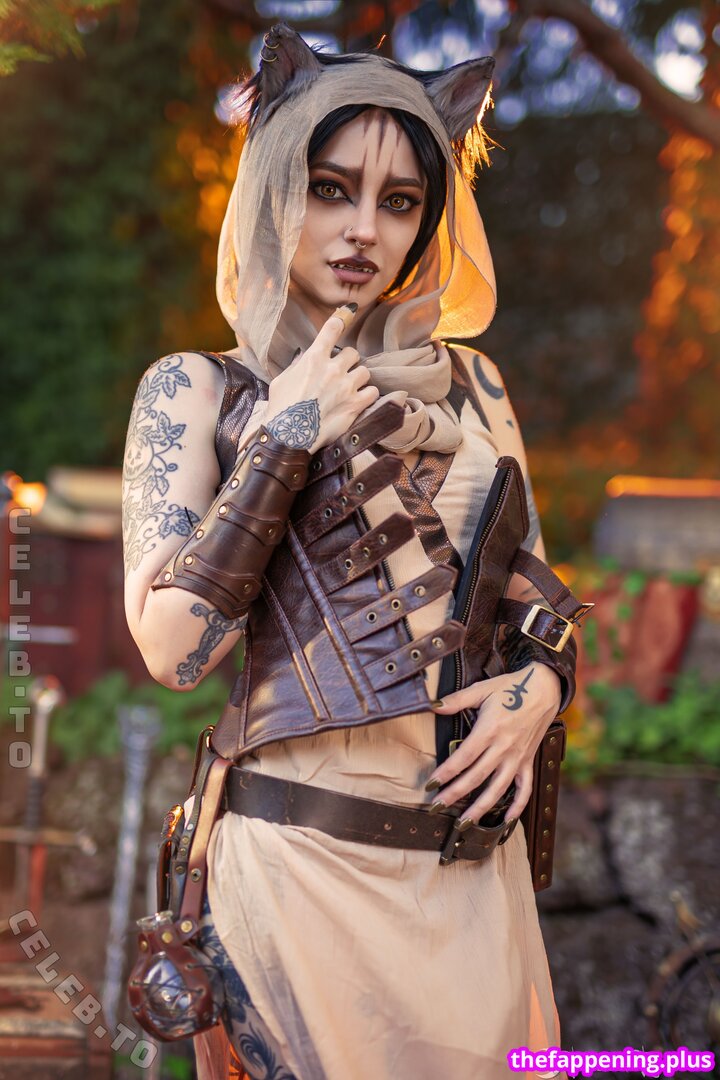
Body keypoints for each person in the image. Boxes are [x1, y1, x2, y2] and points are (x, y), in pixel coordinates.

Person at [122, 23, 586, 1080]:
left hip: (471, 880)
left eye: (400, 200)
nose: (363, 230)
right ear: (274, 186)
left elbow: (534, 598)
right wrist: (286, 435)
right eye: (330, 188)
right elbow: (173, 651)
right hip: (297, 873)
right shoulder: (194, 388)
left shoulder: (476, 387)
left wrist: (540, 691)